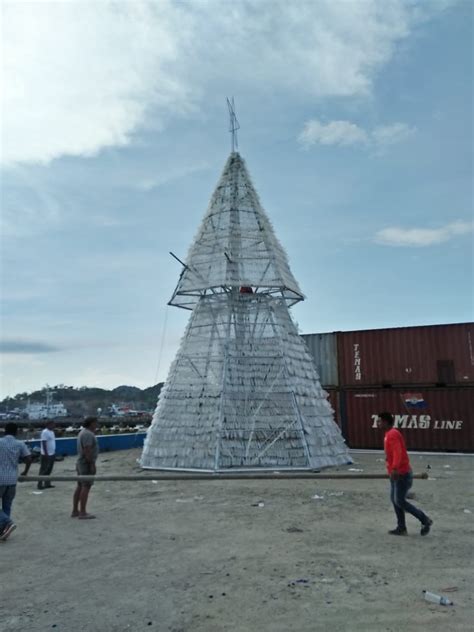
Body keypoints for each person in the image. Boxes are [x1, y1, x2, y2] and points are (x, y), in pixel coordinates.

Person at [378, 412, 433, 536]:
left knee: (399, 501)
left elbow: (398, 453)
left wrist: (395, 468)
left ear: (386, 422)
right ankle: (401, 527)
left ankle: (425, 520)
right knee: (395, 499)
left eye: (380, 421)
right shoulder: (388, 434)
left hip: (401, 474)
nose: (378, 423)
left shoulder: (392, 434)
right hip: (396, 474)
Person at [0, 422, 32, 541]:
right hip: (12, 479)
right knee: (7, 506)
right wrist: (25, 472)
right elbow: (28, 458)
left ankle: (7, 523)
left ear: (4, 431)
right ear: (17, 431)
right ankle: (4, 530)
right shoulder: (20, 444)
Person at [72, 416, 98, 519]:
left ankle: (75, 510)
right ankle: (82, 512)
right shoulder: (87, 434)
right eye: (96, 423)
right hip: (85, 463)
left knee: (80, 486)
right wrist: (92, 464)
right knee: (86, 486)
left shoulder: (83, 432)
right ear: (91, 423)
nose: (97, 425)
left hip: (81, 462)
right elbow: (87, 450)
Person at [38, 420, 56, 489]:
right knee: (43, 469)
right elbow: (44, 443)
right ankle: (40, 484)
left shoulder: (52, 432)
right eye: (53, 424)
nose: (54, 426)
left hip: (52, 453)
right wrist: (46, 453)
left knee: (49, 469)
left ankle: (47, 483)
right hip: (46, 454)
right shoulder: (45, 432)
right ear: (48, 425)